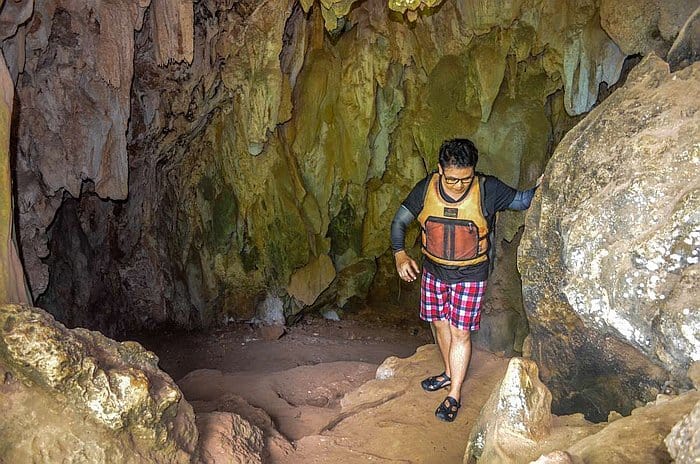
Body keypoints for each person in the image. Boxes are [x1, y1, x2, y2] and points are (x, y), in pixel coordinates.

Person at [390, 138, 540, 422]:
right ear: (439, 169)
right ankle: (448, 372)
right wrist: (400, 254)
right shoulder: (426, 188)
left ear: (474, 172)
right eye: (452, 179)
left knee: (460, 332)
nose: (458, 185)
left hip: (470, 275)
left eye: (465, 179)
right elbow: (399, 221)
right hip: (434, 271)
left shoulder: (487, 189)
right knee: (439, 323)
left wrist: (547, 182)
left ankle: (454, 394)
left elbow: (522, 200)